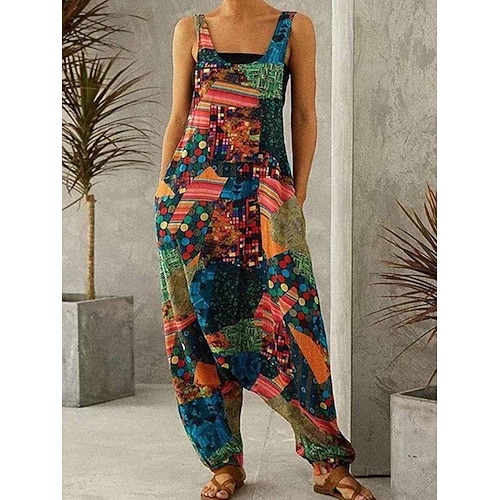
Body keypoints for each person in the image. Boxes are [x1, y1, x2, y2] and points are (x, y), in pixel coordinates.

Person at [153, 1, 375, 499]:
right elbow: (178, 116)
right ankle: (224, 463)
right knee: (197, 332)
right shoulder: (191, 29)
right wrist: (163, 191)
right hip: (190, 204)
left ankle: (326, 461)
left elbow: (304, 114)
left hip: (266, 197)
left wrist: (296, 194)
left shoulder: (294, 28)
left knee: (293, 321)